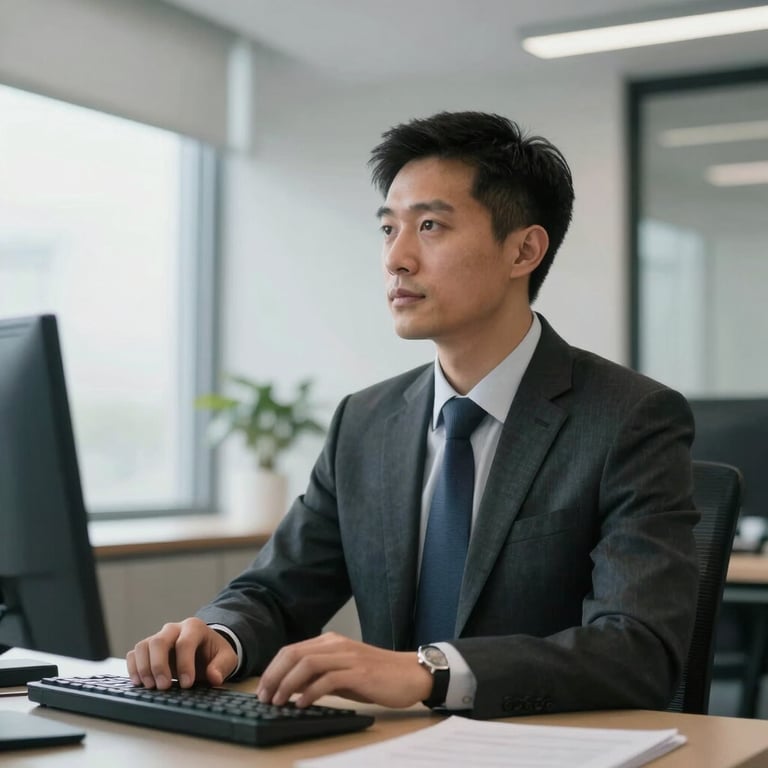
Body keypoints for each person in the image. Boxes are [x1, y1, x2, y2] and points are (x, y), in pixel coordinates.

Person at [127, 111, 698, 720]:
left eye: (429, 226)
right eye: (387, 229)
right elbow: (274, 592)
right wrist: (216, 637)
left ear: (524, 250)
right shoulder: (365, 423)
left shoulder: (629, 418)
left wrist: (430, 672)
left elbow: (639, 651)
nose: (396, 258)